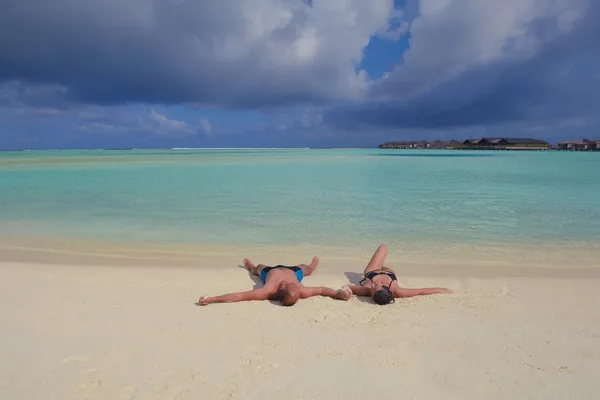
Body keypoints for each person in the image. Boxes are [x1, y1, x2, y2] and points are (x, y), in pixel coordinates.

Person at [198, 256, 352, 307]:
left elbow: (241, 296)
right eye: (296, 286)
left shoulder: (268, 290)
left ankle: (251, 267)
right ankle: (313, 265)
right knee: (307, 269)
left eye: (295, 286)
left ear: (283, 288)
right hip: (293, 271)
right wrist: (339, 294)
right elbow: (322, 290)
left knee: (258, 268)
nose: (297, 286)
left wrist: (212, 299)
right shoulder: (301, 290)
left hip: (270, 272)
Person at [347, 245, 453, 305]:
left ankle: (380, 265)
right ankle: (383, 266)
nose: (372, 286)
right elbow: (421, 291)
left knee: (383, 247)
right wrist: (441, 289)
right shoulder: (397, 290)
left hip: (372, 271)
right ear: (385, 286)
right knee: (385, 249)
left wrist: (345, 292)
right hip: (389, 273)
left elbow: (348, 288)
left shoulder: (366, 289)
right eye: (375, 286)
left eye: (372, 288)